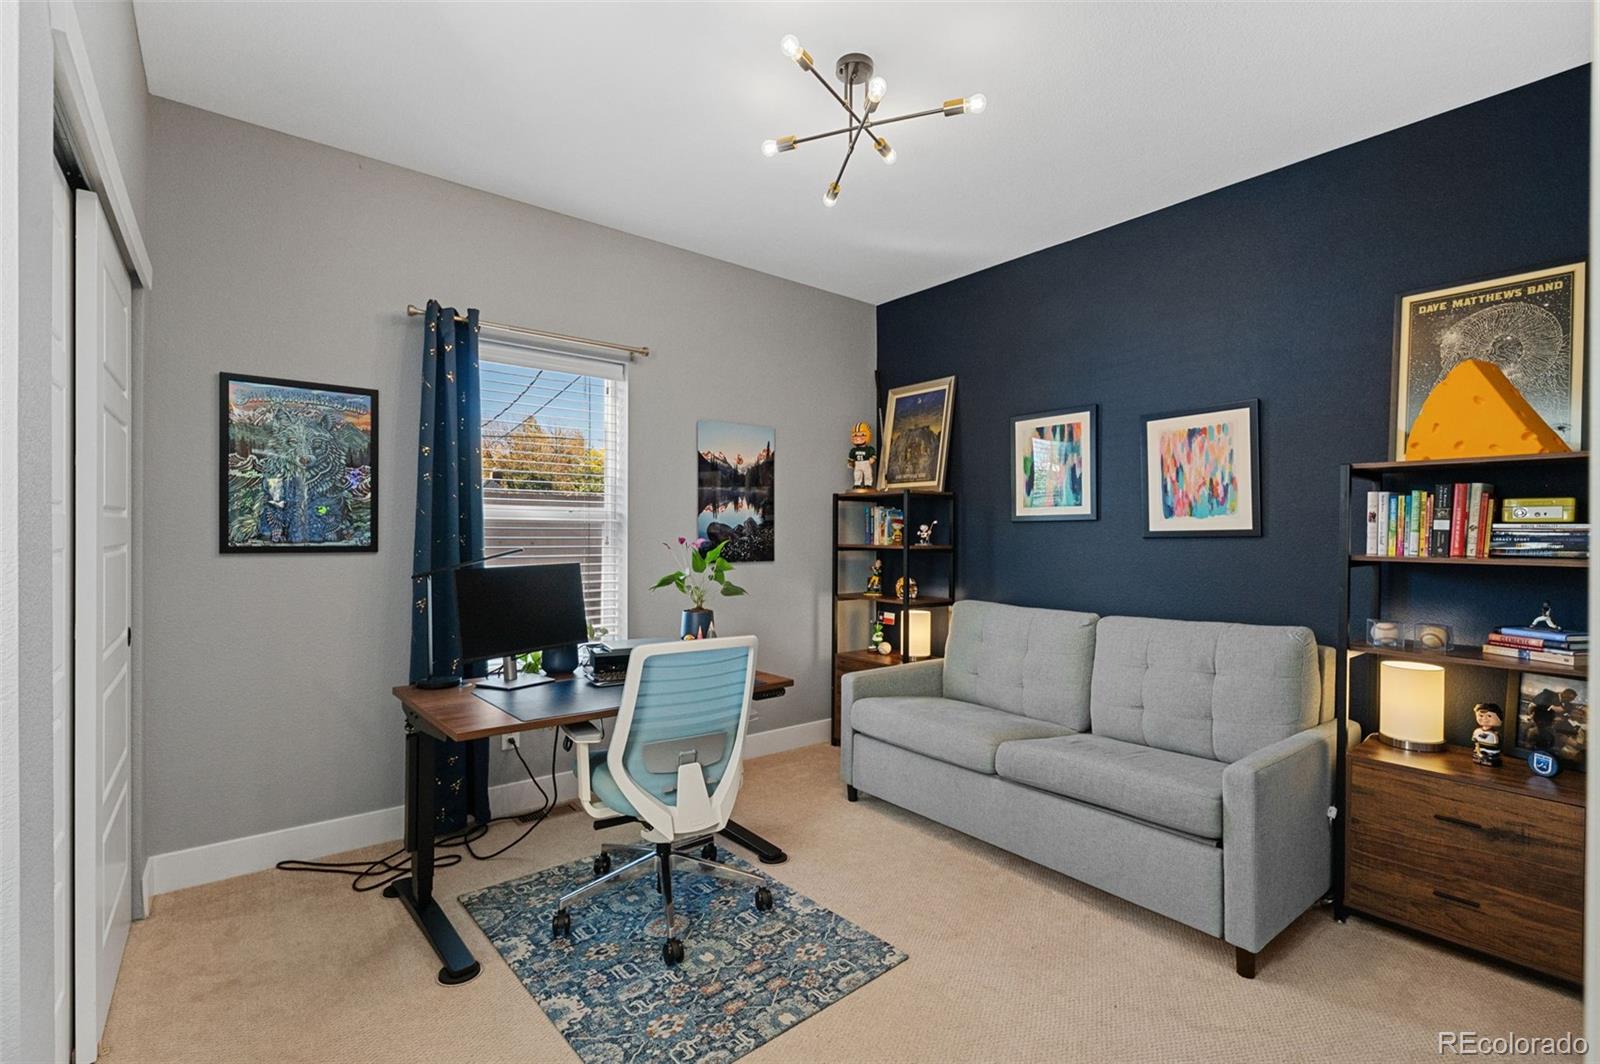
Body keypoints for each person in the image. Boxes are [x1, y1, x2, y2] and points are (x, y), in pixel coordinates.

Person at [847, 422, 877, 489]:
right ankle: (857, 483)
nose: (858, 438)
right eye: (855, 435)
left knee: (868, 474)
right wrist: (851, 464)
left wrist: (872, 459)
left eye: (862, 435)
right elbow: (851, 457)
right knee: (857, 474)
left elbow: (873, 455)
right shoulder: (853, 450)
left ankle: (868, 484)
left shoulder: (869, 449)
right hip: (857, 463)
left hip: (866, 462)